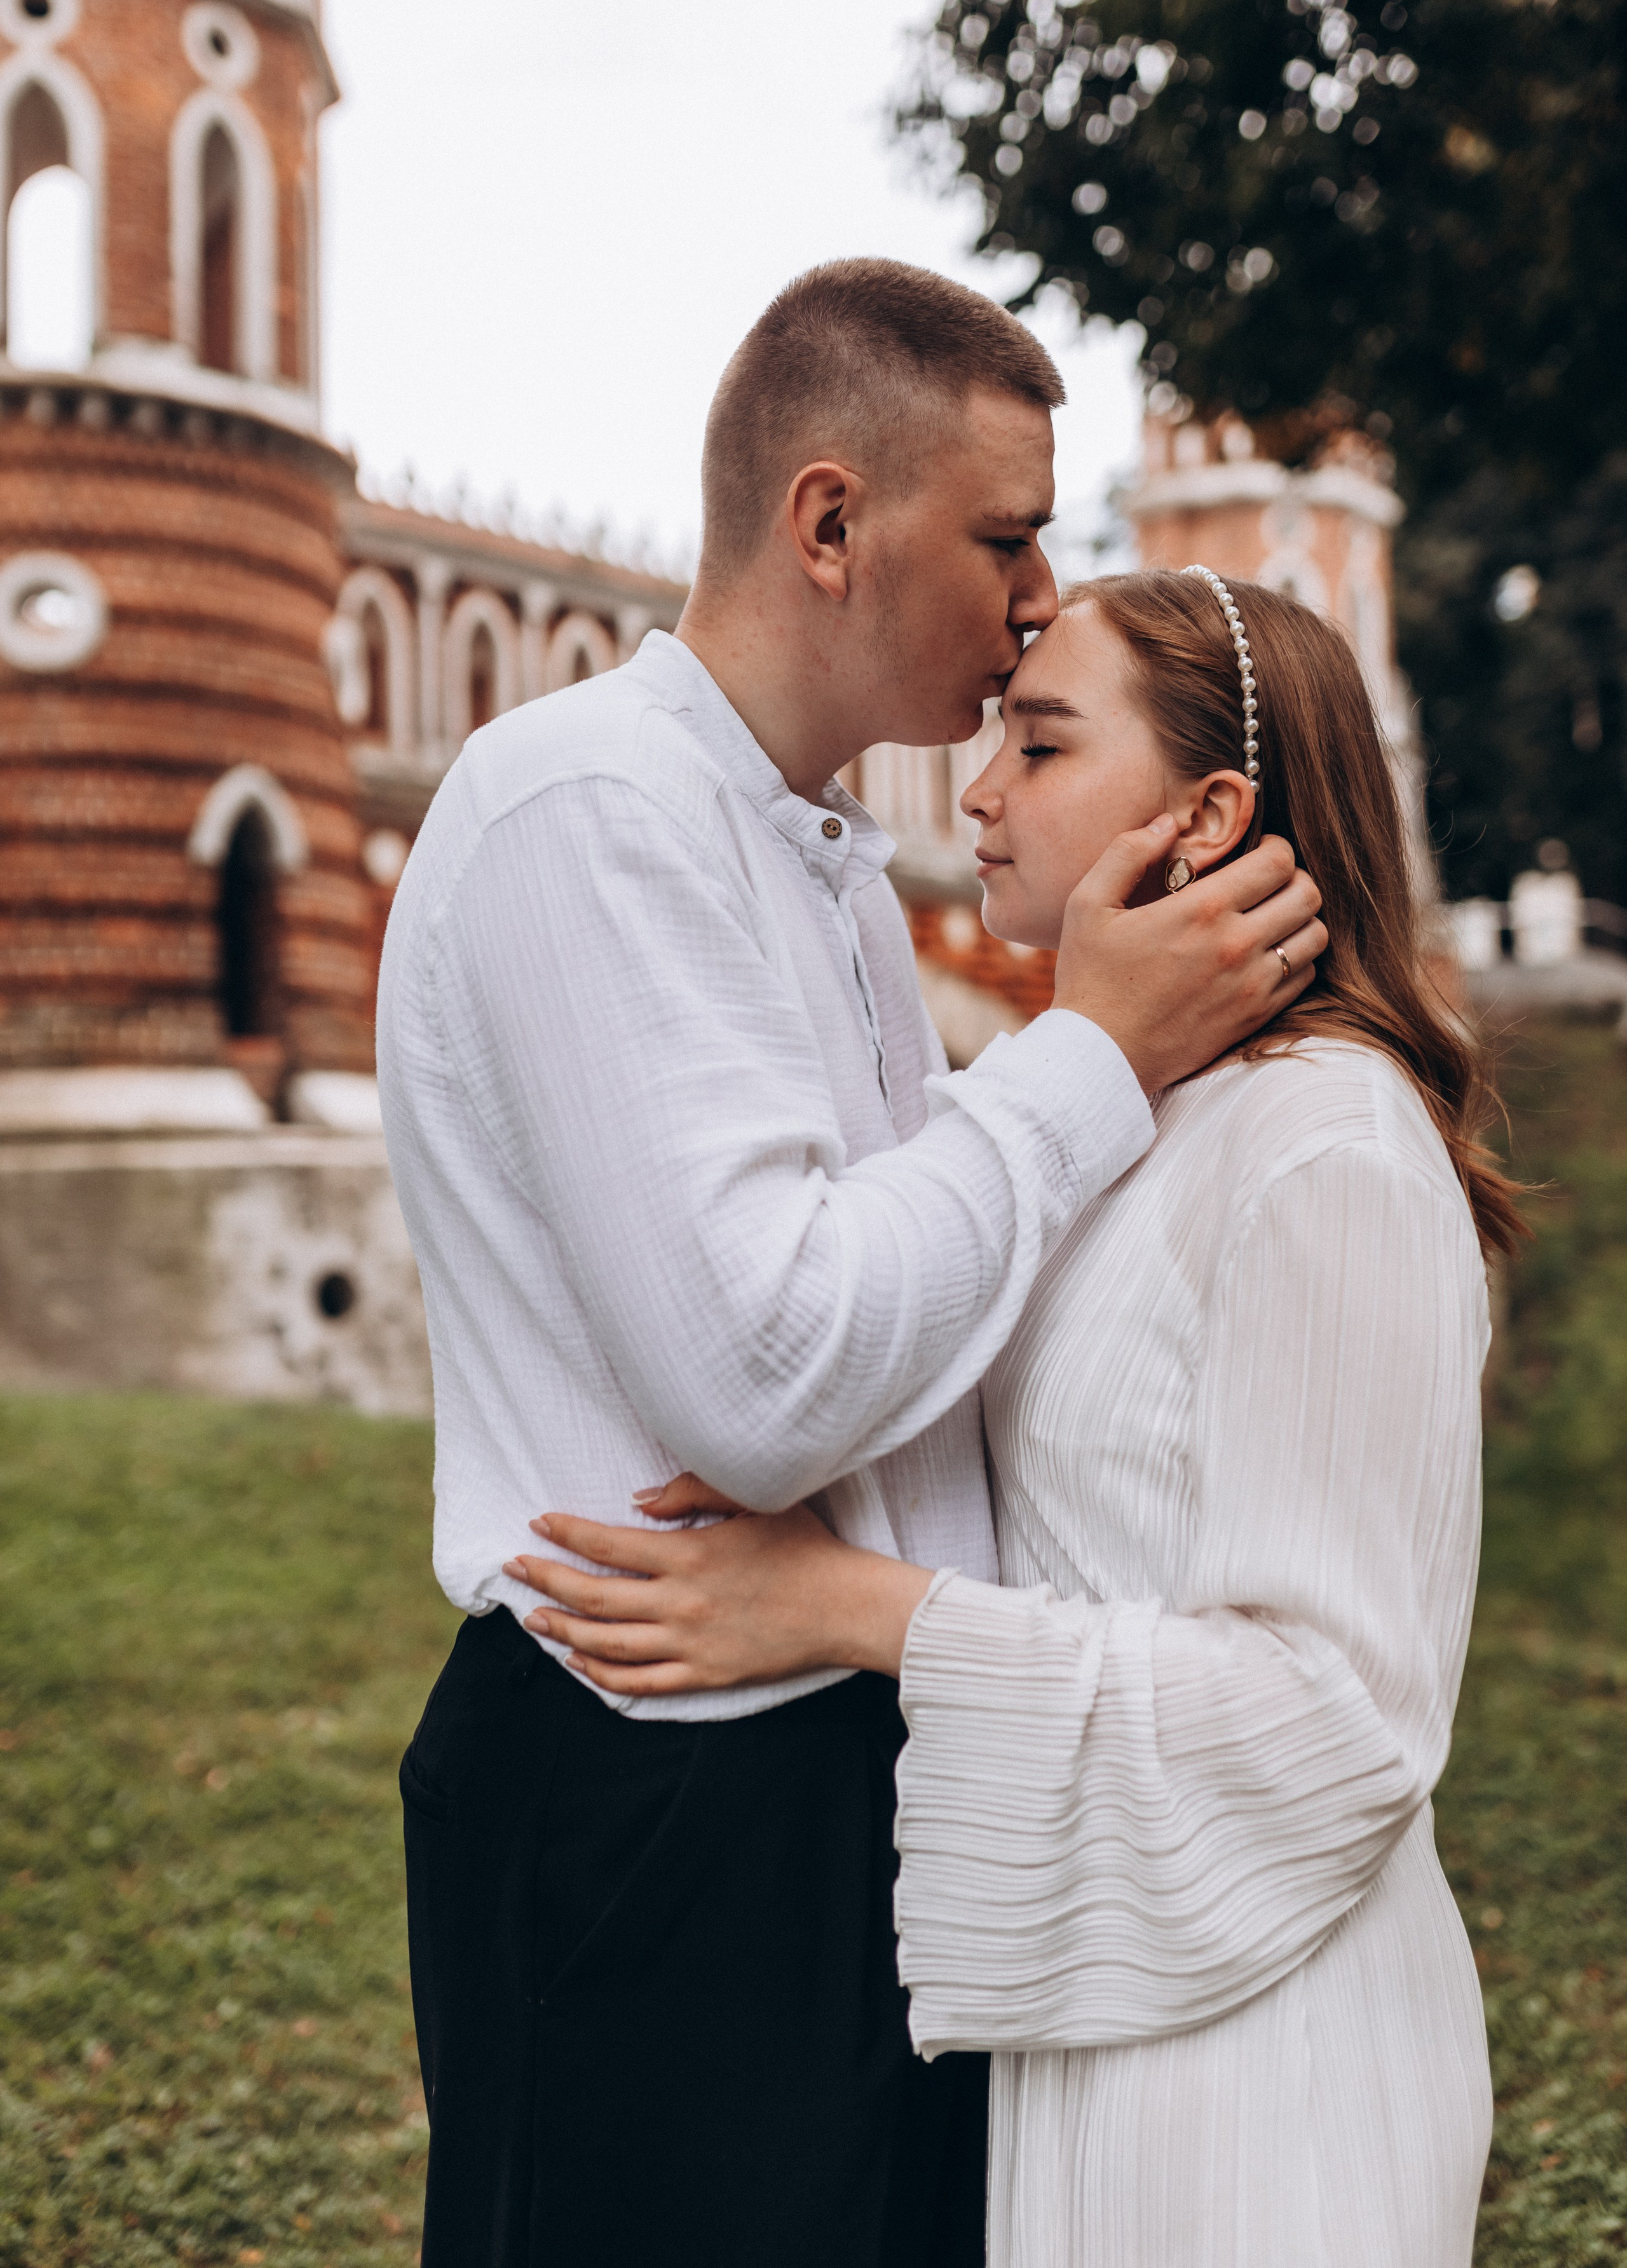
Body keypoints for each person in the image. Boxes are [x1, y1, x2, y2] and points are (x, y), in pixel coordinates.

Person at [376, 262, 1324, 2268]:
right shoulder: (591, 816)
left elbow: (899, 1331)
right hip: (660, 1794)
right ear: (830, 523)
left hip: (830, 1760)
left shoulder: (791, 855)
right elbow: (773, 1363)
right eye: (1005, 537)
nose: (1043, 597)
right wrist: (1091, 1055)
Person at [507, 569, 1521, 2268]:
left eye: (1041, 746)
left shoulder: (1329, 1149)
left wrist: (840, 1609)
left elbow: (1337, 1716)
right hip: (1088, 2014)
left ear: (1205, 815)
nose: (974, 789)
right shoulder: (1118, 1113)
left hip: (1266, 2064)